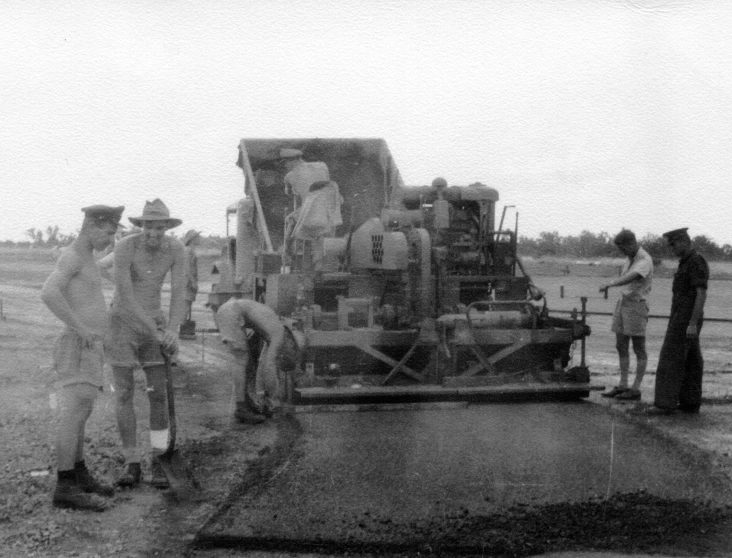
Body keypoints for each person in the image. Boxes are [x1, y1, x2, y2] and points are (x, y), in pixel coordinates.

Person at [41, 204, 124, 511]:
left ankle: (78, 474)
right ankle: (64, 487)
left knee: (83, 411)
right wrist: (80, 327)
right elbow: (49, 292)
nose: (111, 239)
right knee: (73, 412)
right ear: (91, 226)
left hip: (89, 346)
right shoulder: (73, 256)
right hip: (77, 344)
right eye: (108, 231)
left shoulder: (88, 258)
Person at [106, 199, 187, 488]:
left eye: (160, 227)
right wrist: (154, 329)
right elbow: (125, 295)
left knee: (158, 393)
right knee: (125, 393)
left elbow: (179, 293)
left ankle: (159, 458)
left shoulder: (177, 249)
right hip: (123, 324)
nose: (154, 233)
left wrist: (173, 330)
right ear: (140, 226)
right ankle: (131, 462)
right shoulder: (125, 246)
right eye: (148, 227)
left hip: (154, 324)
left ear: (167, 227)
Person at [649, 227, 709, 415]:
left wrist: (692, 322)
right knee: (692, 360)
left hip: (686, 317)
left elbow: (701, 293)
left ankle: (664, 404)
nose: (671, 249)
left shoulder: (695, 261)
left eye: (673, 245)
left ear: (684, 241)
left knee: (670, 359)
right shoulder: (686, 262)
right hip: (681, 315)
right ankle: (690, 402)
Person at [216, 298, 302, 424]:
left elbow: (263, 363)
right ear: (291, 342)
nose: (290, 354)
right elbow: (269, 367)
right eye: (293, 352)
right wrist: (274, 400)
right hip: (231, 312)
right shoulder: (278, 333)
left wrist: (265, 396)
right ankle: (241, 408)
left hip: (229, 310)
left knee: (248, 363)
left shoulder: (273, 329)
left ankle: (246, 403)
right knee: (241, 359)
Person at [599, 229, 653, 401]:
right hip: (623, 303)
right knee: (621, 345)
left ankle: (635, 388)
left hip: (637, 306)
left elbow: (631, 277)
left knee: (639, 348)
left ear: (631, 243)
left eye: (623, 248)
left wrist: (610, 284)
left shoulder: (644, 260)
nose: (622, 252)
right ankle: (623, 385)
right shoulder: (628, 259)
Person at [281, 148, 342, 275]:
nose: (286, 166)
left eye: (285, 163)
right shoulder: (322, 166)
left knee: (290, 223)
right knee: (324, 241)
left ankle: (287, 262)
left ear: (289, 162)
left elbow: (290, 193)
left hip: (311, 212)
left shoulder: (290, 176)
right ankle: (325, 268)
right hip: (331, 212)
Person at [179, 229, 201, 338]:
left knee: (188, 304)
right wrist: (193, 282)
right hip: (187, 282)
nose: (199, 239)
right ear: (192, 239)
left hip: (190, 281)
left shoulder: (190, 250)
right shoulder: (187, 251)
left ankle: (184, 328)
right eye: (197, 237)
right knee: (186, 305)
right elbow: (186, 269)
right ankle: (182, 329)